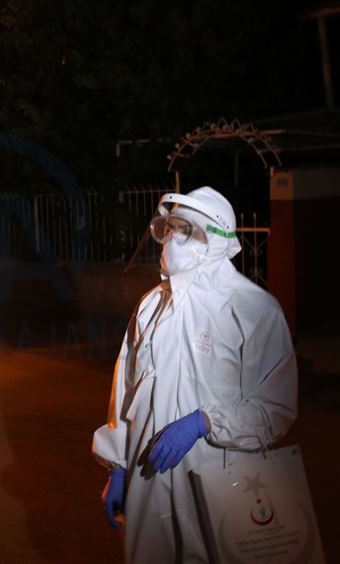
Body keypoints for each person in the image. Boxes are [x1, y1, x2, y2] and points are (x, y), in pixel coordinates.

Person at [92, 186, 297, 563]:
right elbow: (125, 390)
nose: (171, 239)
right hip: (148, 479)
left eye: (185, 231)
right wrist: (118, 466)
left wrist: (205, 422)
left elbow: (276, 408)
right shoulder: (151, 305)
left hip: (220, 483)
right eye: (169, 229)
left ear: (217, 242)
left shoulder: (253, 309)